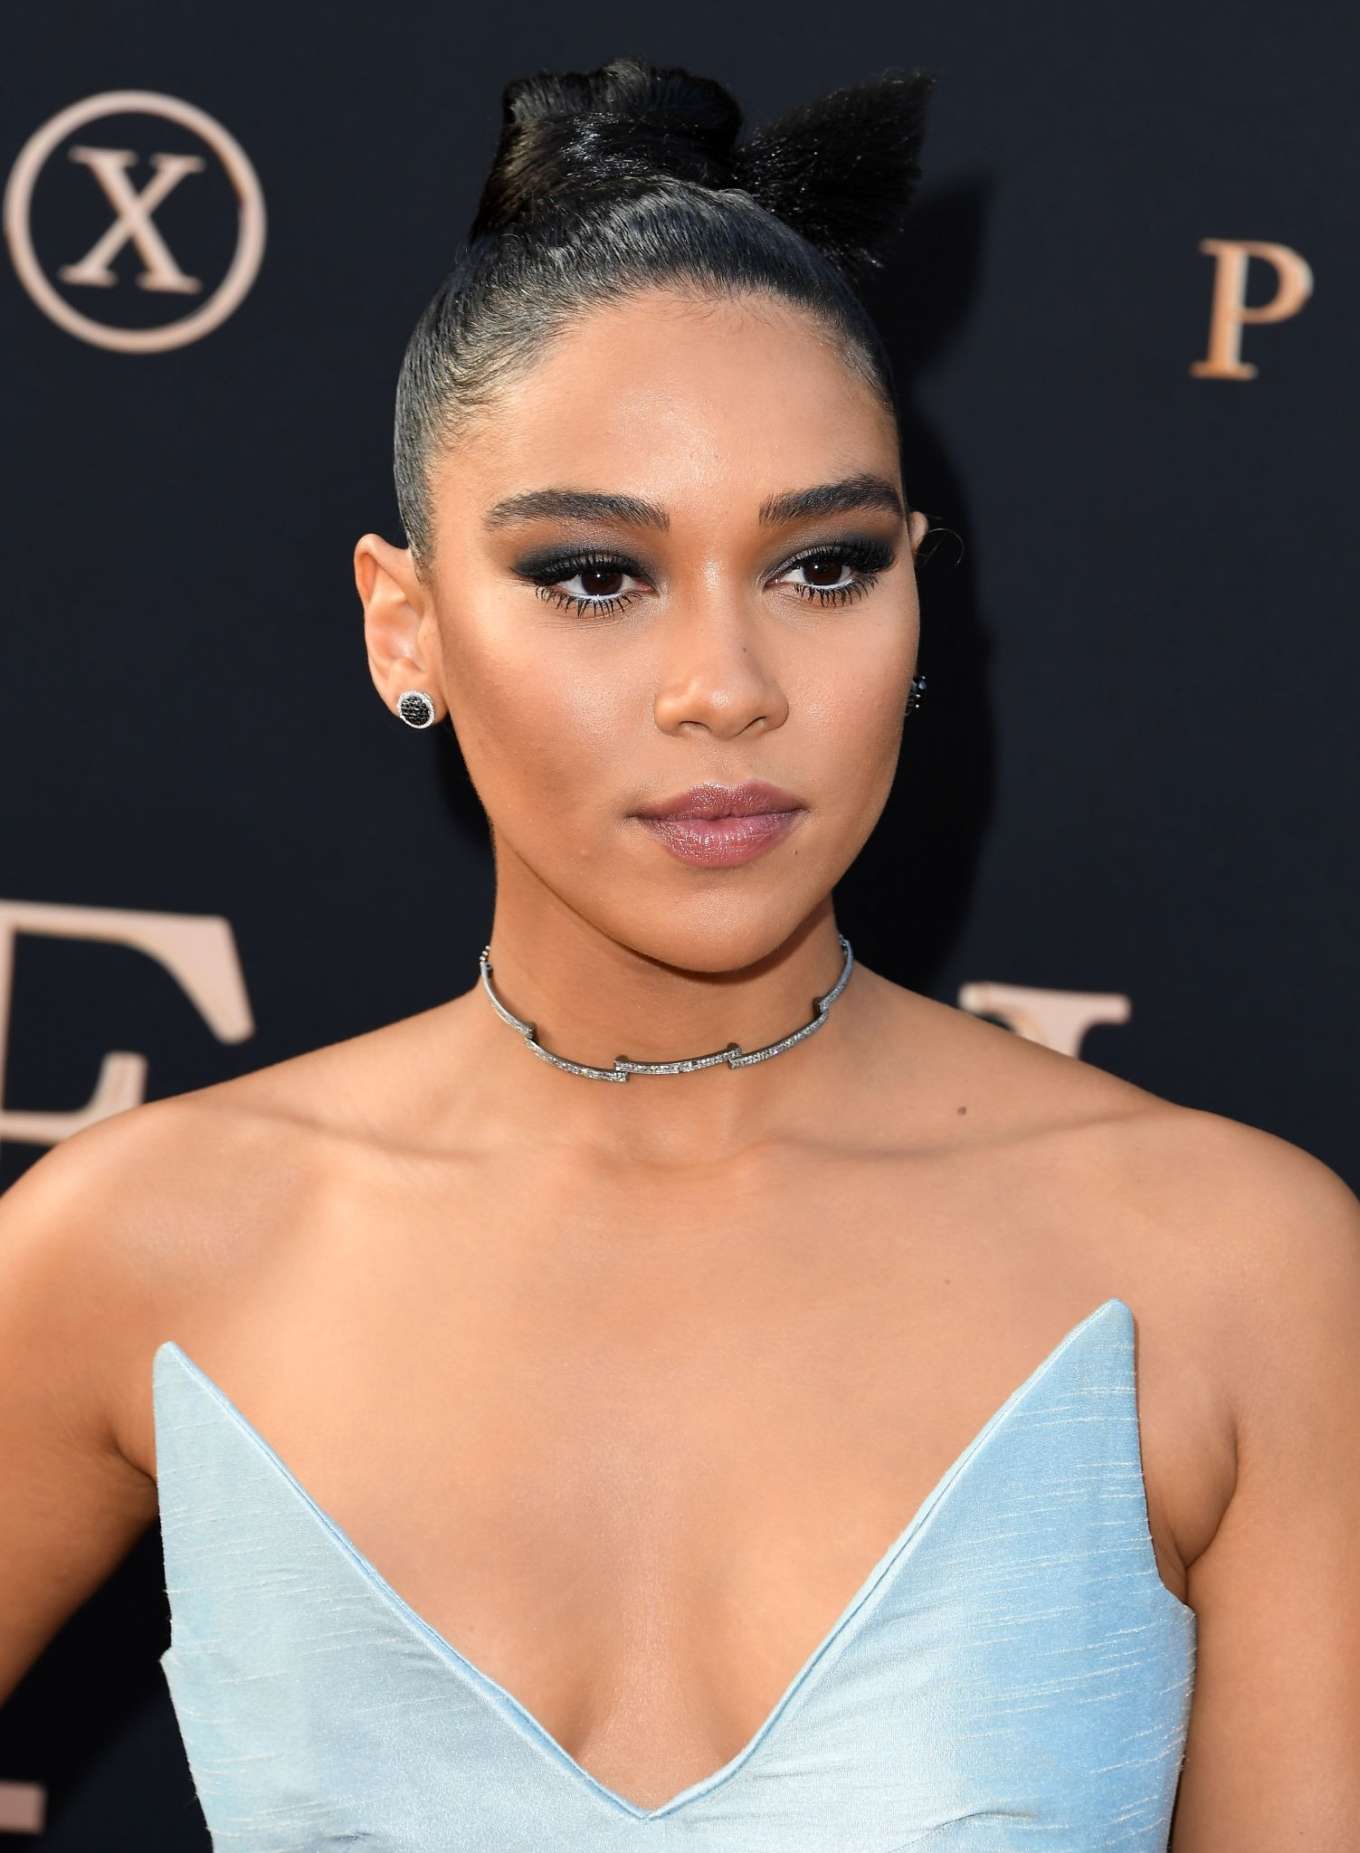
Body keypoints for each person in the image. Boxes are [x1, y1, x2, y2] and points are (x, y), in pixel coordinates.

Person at [2, 54, 1357, 1853]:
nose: (727, 688)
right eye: (594, 574)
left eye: (822, 567)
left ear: (916, 589)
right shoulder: (141, 1250)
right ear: (404, 625)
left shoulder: (1240, 1274)